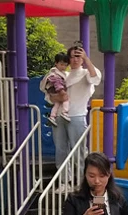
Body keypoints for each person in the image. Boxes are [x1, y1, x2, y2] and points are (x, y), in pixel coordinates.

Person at [41, 42, 101, 174]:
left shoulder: (86, 72)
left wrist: (86, 58)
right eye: (72, 57)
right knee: (61, 150)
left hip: (77, 116)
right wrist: (57, 98)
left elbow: (95, 78)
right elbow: (48, 95)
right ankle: (64, 181)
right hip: (59, 116)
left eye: (78, 56)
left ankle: (81, 181)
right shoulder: (62, 75)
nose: (75, 59)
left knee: (78, 150)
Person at [43, 52, 70, 126]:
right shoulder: (55, 74)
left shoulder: (58, 73)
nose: (63, 67)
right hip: (56, 90)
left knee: (57, 103)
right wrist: (61, 91)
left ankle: (52, 116)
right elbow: (57, 83)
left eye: (65, 65)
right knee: (66, 99)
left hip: (54, 91)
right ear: (56, 63)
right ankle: (65, 112)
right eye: (61, 64)